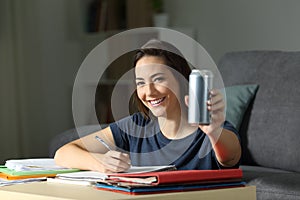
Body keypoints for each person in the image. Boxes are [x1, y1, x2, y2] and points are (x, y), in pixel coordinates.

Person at [54, 39, 241, 173]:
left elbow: (230, 157)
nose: (149, 92)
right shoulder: (137, 126)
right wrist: (100, 161)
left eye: (158, 79)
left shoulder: (214, 129)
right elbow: (63, 153)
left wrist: (214, 132)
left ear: (182, 80)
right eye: (141, 82)